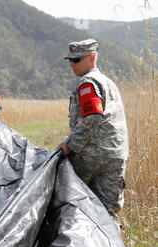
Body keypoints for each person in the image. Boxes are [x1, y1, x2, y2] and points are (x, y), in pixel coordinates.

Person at [57, 39, 129, 218]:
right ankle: (113, 245)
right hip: (116, 155)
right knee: (108, 212)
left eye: (77, 60)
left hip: (92, 155)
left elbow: (93, 117)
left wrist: (71, 144)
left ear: (92, 58)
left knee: (76, 207)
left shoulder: (87, 82)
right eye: (70, 60)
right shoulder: (108, 82)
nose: (72, 65)